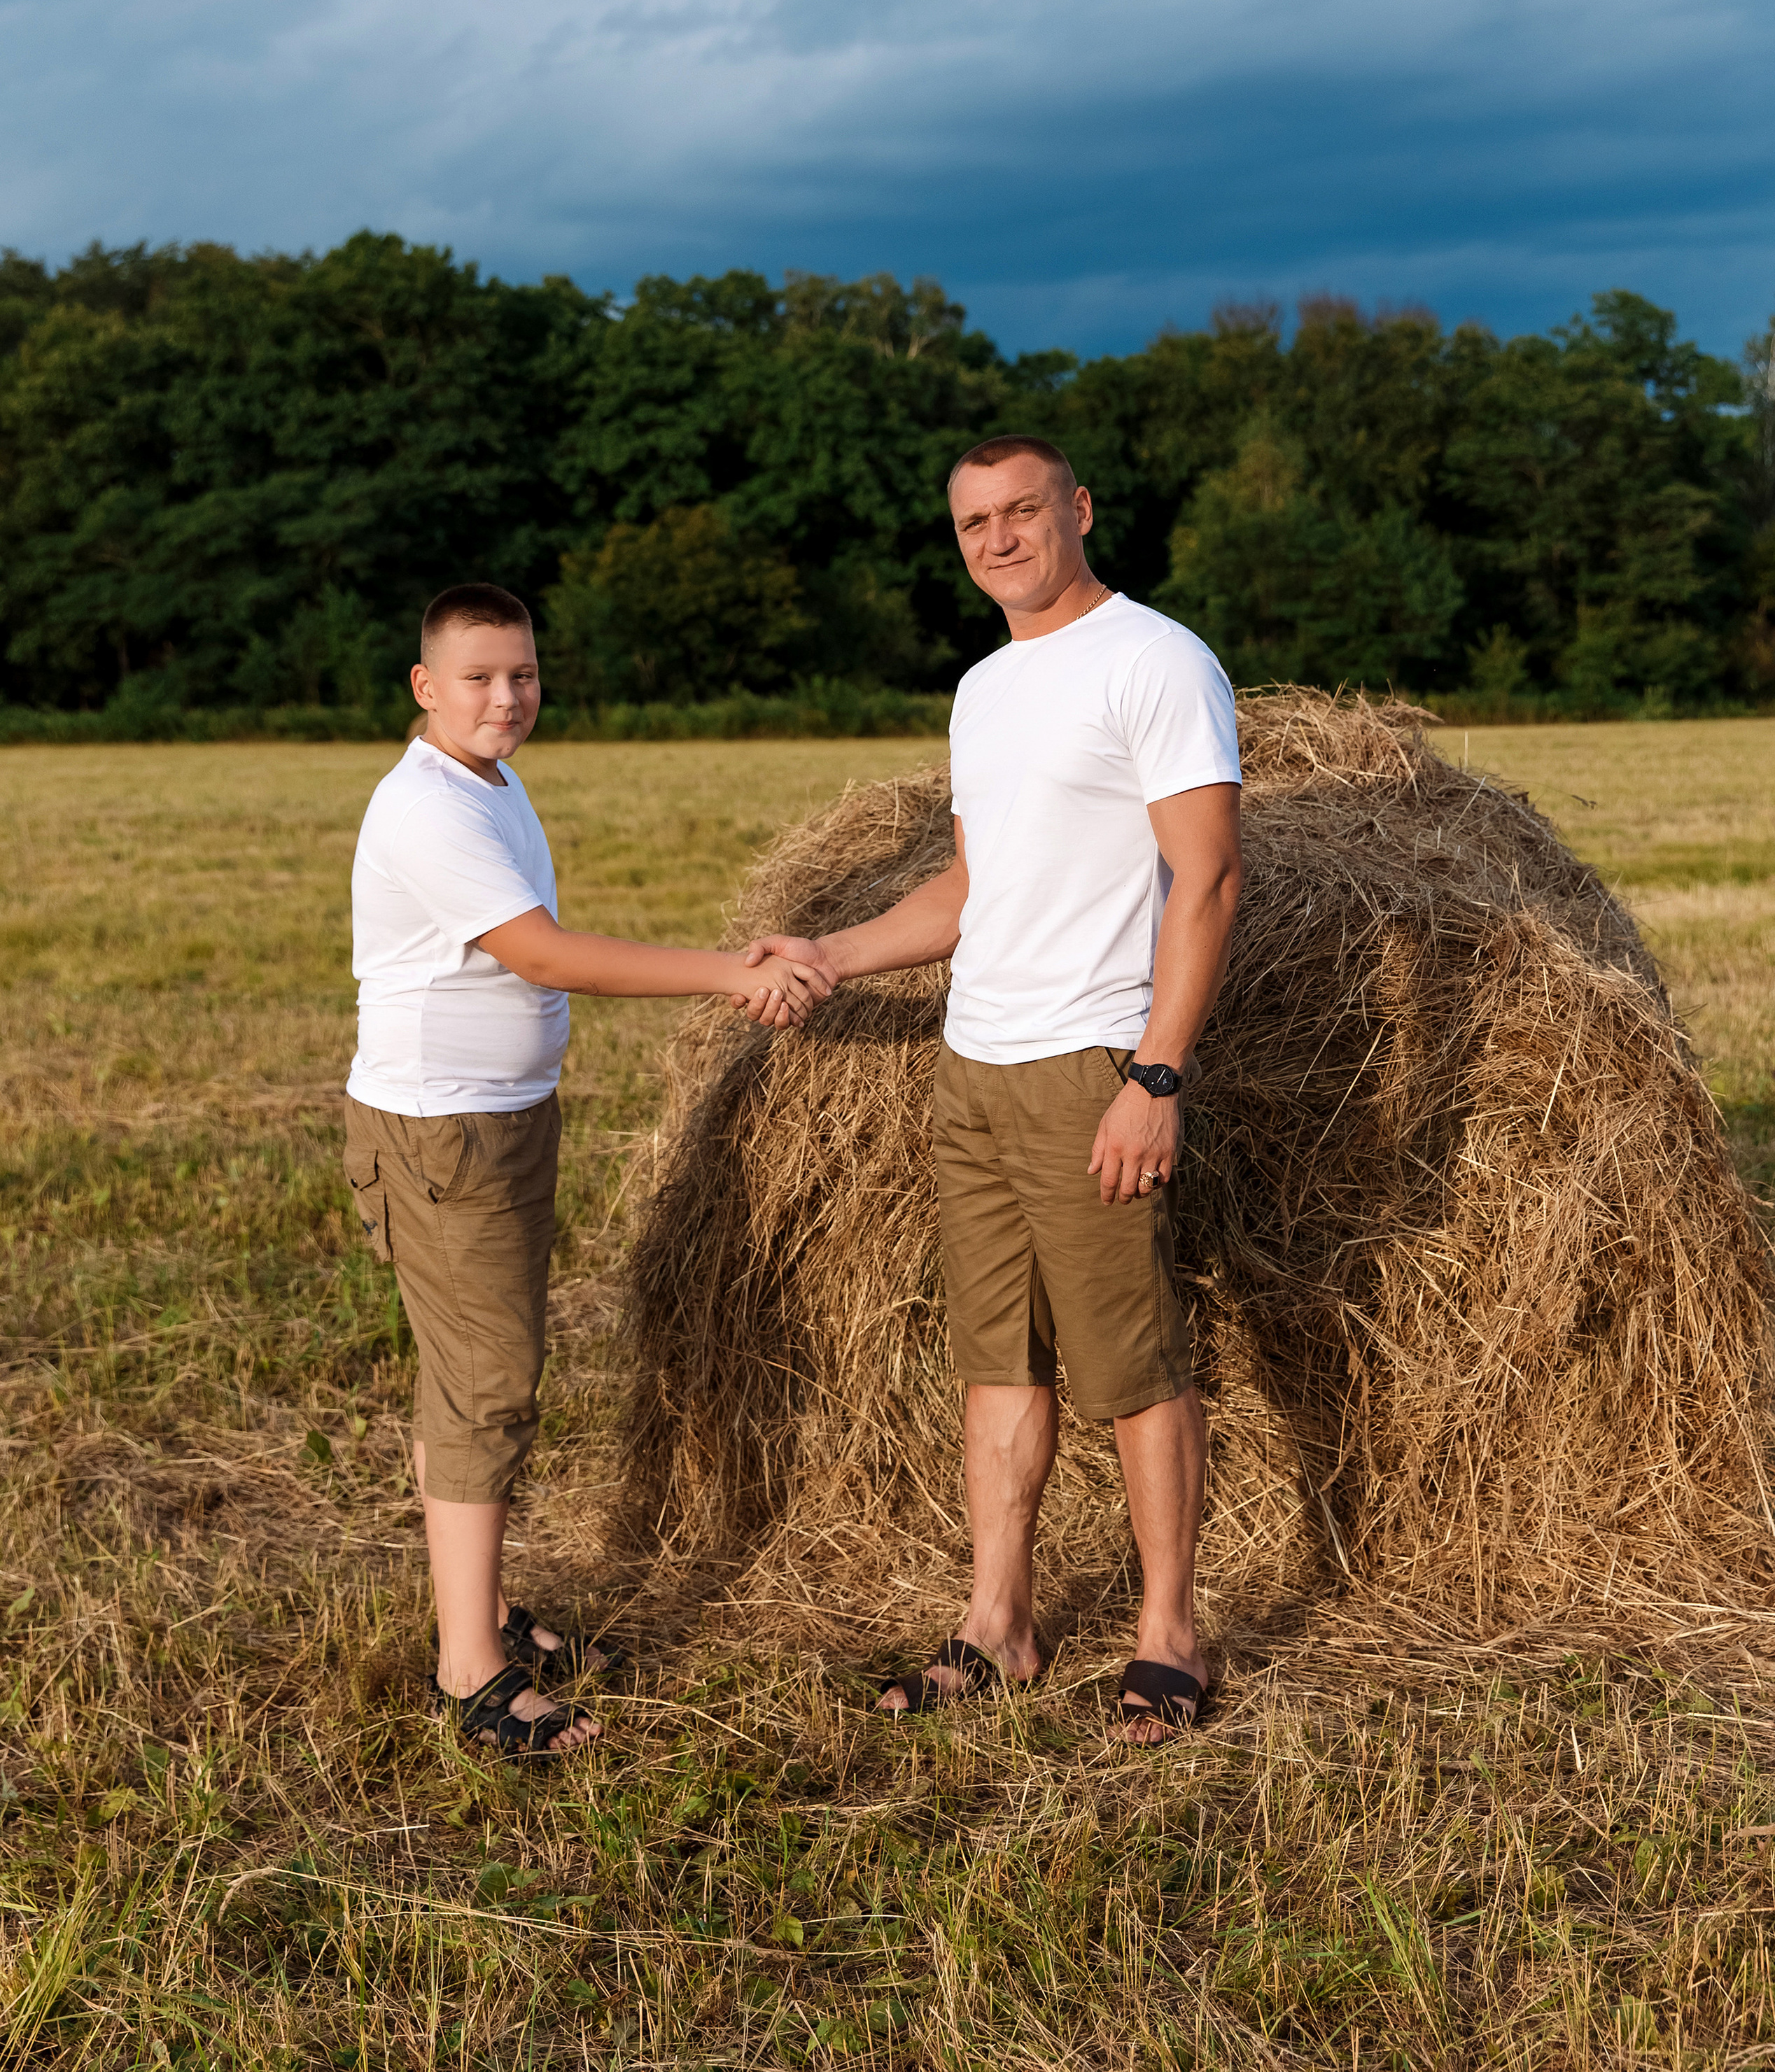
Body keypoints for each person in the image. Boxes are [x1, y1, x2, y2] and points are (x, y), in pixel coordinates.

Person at [741, 438, 1242, 1744]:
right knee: (998, 1365)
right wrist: (832, 953)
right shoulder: (983, 690)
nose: (1000, 538)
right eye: (975, 522)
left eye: (1024, 511)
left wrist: (1155, 1072)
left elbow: (1211, 877)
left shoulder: (1156, 661)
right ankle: (998, 1620)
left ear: (1078, 511)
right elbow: (974, 890)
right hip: (975, 1066)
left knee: (1131, 1366)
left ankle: (1169, 1635)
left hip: (1090, 1064)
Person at [344, 582, 827, 1760]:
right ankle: (471, 1670)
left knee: (468, 1373)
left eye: (523, 674)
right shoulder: (427, 810)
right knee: (488, 1389)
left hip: (496, 1123)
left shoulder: (492, 782)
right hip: (444, 1133)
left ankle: (486, 1609)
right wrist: (729, 974)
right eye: (478, 677)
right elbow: (545, 955)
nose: (507, 697)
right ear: (425, 686)